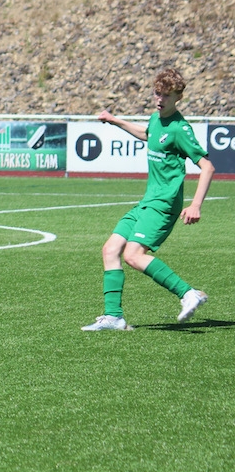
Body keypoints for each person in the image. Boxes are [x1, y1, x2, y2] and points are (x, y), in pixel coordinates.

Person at [82, 67, 215, 331]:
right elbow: (147, 134)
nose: (159, 99)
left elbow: (207, 167)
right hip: (147, 201)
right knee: (110, 250)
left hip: (164, 204)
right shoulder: (156, 119)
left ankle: (189, 293)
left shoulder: (179, 129)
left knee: (133, 255)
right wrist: (115, 120)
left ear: (178, 97)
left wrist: (196, 205)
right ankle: (114, 317)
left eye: (166, 95)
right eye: (157, 93)